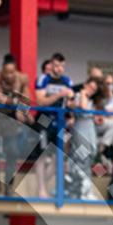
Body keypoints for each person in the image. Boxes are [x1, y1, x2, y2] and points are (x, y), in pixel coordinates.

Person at [0, 54, 30, 195]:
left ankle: (9, 185)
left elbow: (27, 100)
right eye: (6, 72)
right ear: (2, 70)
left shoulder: (22, 78)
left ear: (15, 70)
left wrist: (20, 109)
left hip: (10, 118)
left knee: (12, 152)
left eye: (12, 72)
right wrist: (15, 103)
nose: (9, 75)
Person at [33, 53, 73, 198]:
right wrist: (59, 94)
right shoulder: (44, 78)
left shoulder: (67, 80)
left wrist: (71, 101)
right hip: (44, 119)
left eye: (62, 66)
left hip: (60, 120)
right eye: (56, 65)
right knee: (43, 156)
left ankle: (41, 184)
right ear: (51, 65)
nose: (59, 69)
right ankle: (41, 189)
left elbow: (70, 103)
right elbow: (40, 101)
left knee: (59, 157)